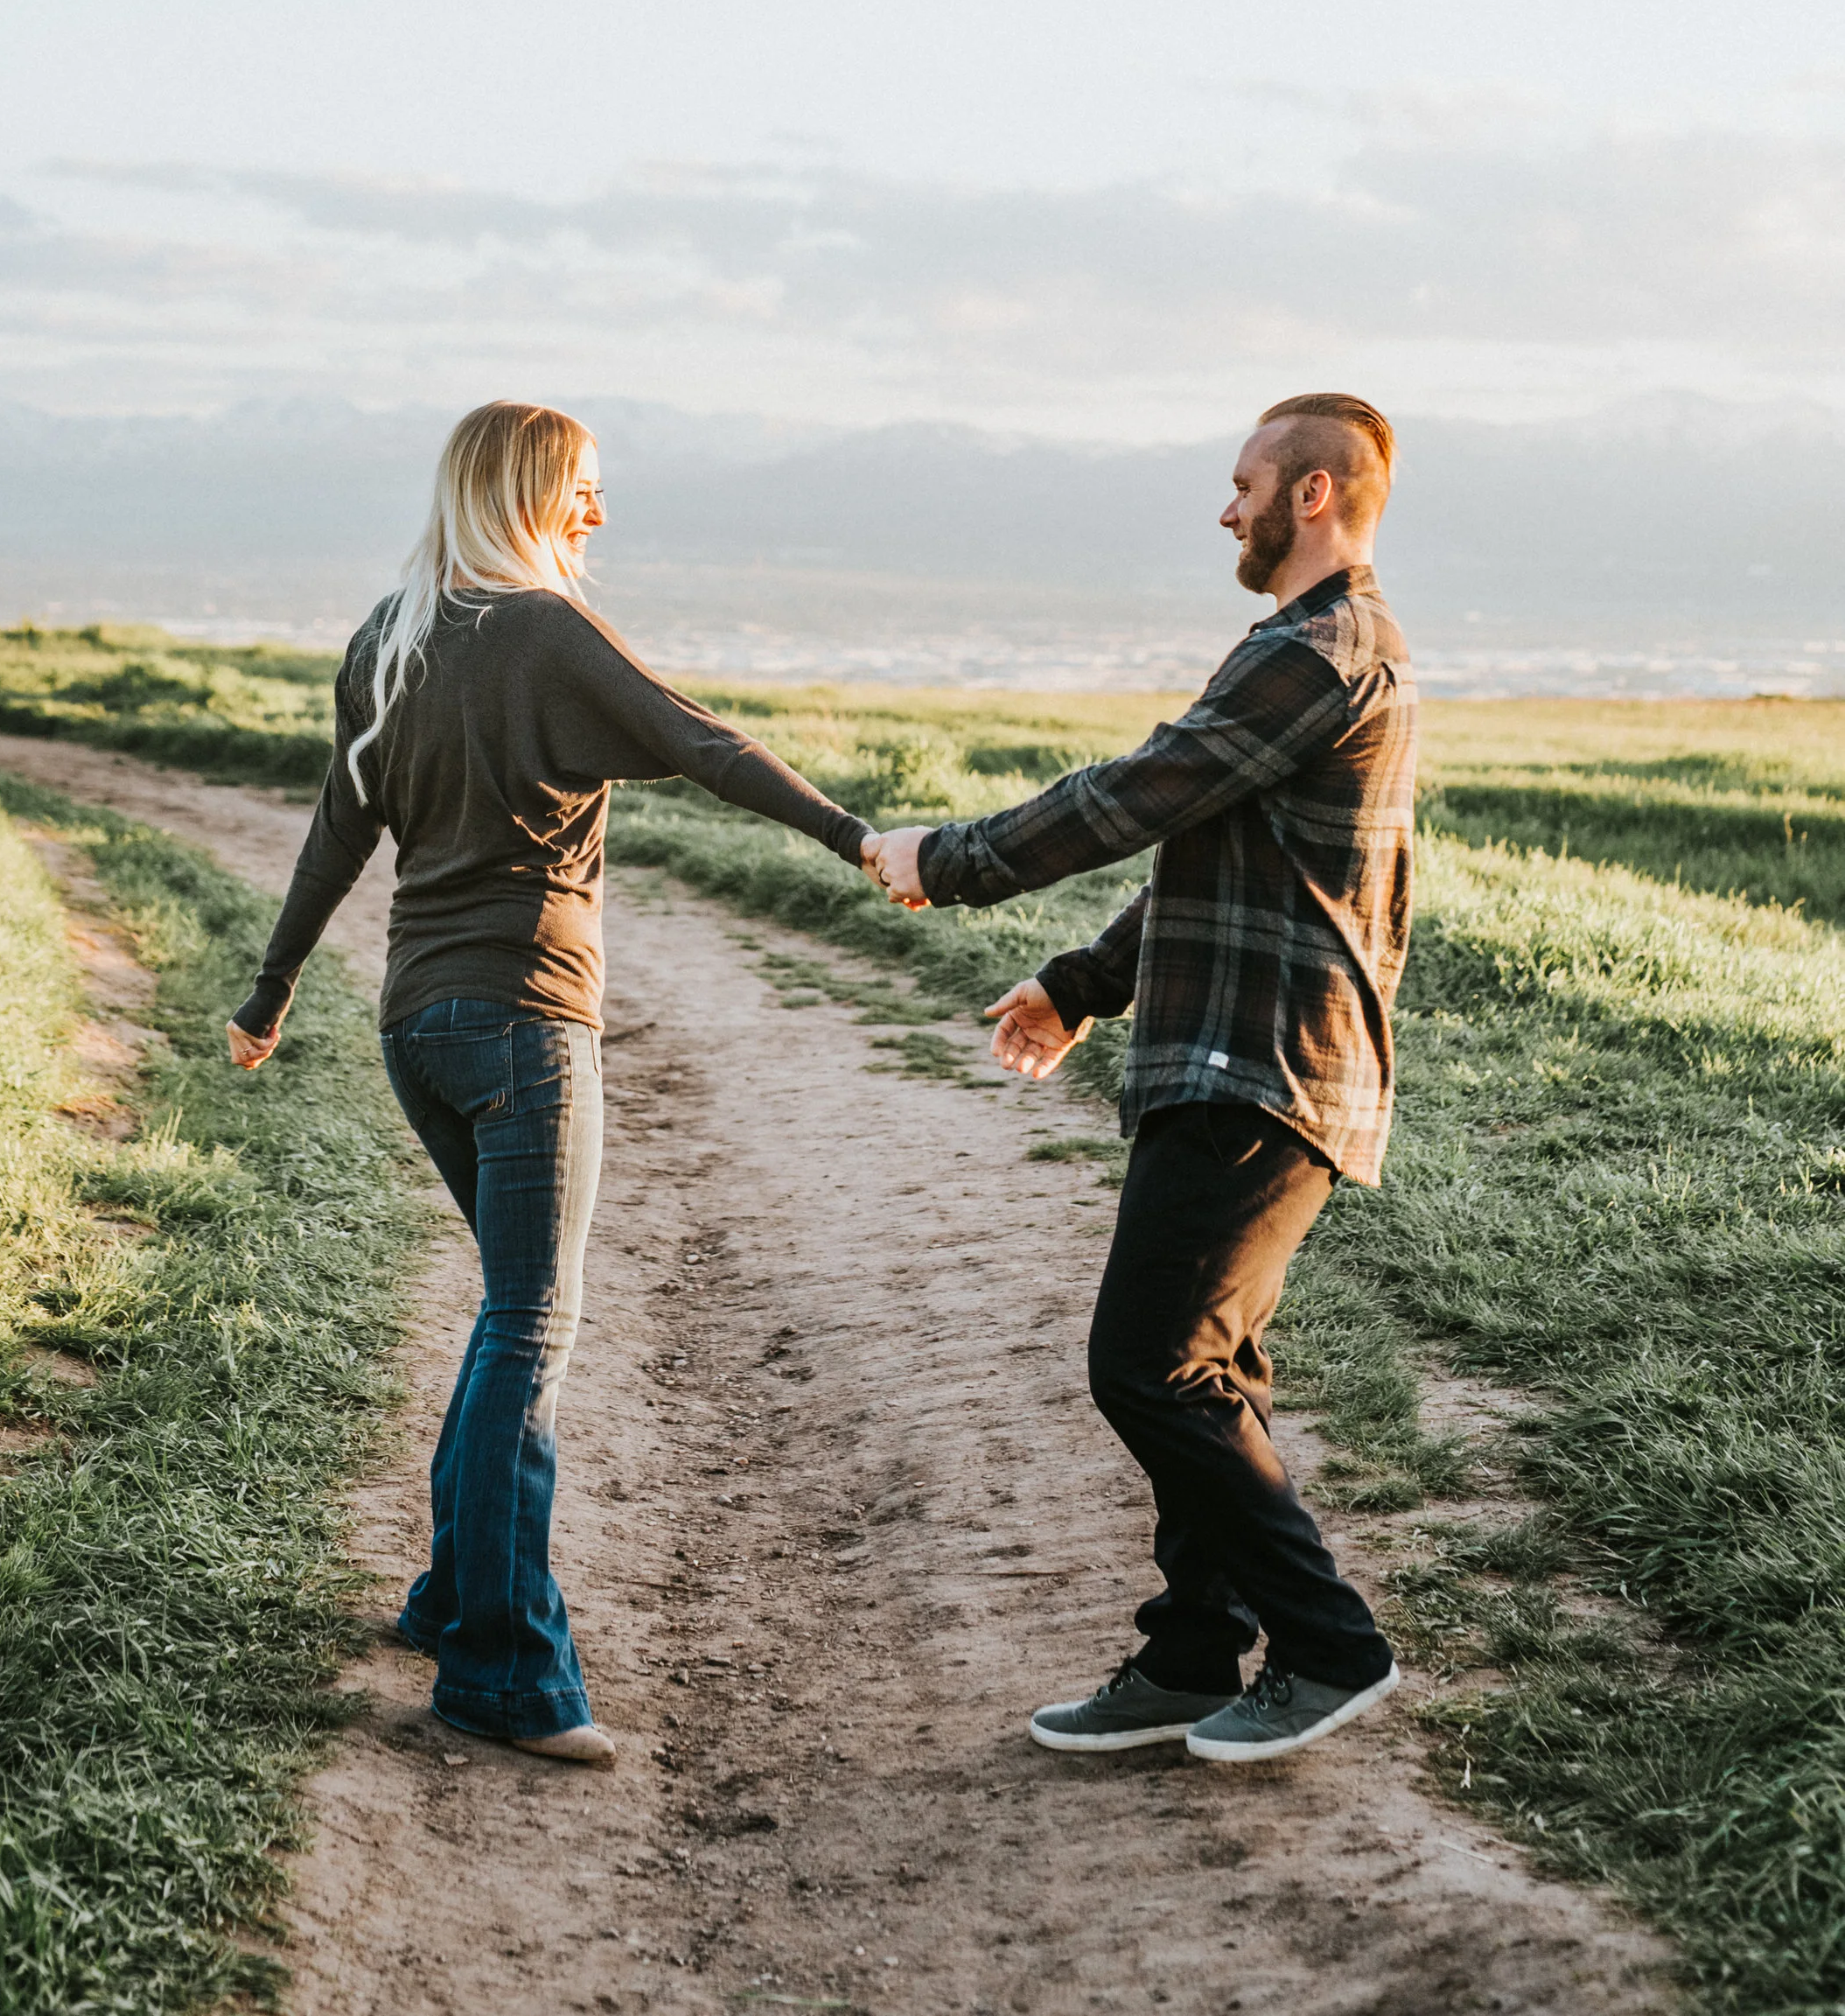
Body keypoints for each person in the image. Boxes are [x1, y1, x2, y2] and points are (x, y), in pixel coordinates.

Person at [225, 399, 878, 1768]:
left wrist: (272, 990)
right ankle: (505, 1677)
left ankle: (459, 1597)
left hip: (419, 1029)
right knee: (529, 1328)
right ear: (526, 491)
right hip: (526, 1024)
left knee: (505, 1319)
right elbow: (700, 741)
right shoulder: (540, 630)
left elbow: (334, 836)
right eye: (583, 488)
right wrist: (856, 838)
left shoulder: (388, 639)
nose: (597, 512)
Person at [868, 393, 1415, 1767]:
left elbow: (1140, 793)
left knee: (1151, 1369)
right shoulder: (1295, 647)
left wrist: (952, 858)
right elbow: (1220, 858)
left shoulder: (1327, 648)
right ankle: (1189, 1658)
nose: (1223, 509)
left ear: (1312, 495)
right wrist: (1081, 980)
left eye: (1243, 483)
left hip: (1269, 1066)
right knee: (1207, 1366)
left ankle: (1333, 1646)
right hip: (1234, 1054)